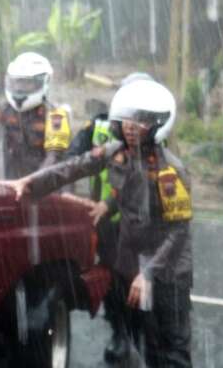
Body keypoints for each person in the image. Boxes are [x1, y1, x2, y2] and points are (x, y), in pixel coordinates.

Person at [0, 79, 192, 368]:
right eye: (128, 121)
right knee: (140, 342)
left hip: (166, 273)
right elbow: (73, 167)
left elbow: (178, 232)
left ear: (159, 125)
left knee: (170, 351)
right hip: (133, 265)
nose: (131, 128)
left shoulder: (169, 172)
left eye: (141, 122)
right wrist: (29, 183)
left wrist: (148, 273)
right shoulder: (117, 152)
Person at [64, 71, 157, 363]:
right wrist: (68, 187)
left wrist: (108, 202)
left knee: (140, 281)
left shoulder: (153, 133)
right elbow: (73, 154)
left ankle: (143, 335)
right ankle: (119, 332)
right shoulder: (100, 124)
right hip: (105, 223)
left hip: (139, 222)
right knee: (112, 282)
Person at [0, 52, 72, 178]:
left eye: (27, 83)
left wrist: (31, 182)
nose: (19, 88)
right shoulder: (2, 110)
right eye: (17, 82)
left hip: (45, 182)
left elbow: (55, 156)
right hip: (10, 180)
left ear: (44, 82)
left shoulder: (55, 115)